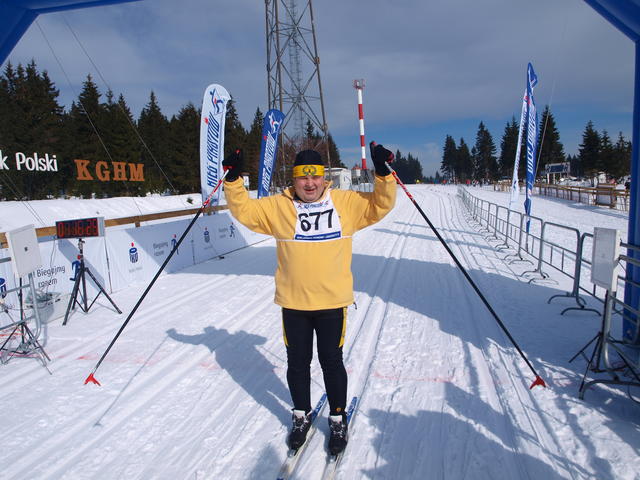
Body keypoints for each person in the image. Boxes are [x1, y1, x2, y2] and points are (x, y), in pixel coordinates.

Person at [221, 143, 396, 455]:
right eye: (303, 178)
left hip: (332, 303)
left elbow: (379, 206)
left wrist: (383, 173)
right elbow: (244, 211)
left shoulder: (344, 203)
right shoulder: (279, 206)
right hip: (294, 304)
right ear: (294, 179)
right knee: (297, 364)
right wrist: (233, 180)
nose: (310, 184)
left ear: (324, 178)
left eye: (315, 177)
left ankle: (338, 418)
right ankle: (300, 415)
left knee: (332, 362)